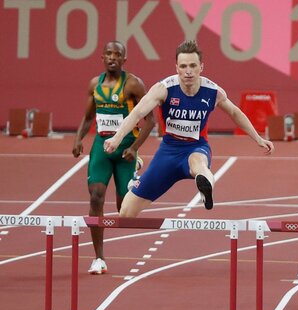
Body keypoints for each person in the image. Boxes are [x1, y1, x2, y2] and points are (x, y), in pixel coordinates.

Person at [104, 40, 274, 217]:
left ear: (201, 67)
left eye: (193, 66)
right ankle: (196, 181)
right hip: (167, 154)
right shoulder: (164, 89)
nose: (188, 71)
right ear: (176, 68)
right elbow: (137, 113)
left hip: (196, 148)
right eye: (183, 66)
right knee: (126, 213)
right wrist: (117, 137)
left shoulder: (212, 91)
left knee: (199, 165)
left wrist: (258, 138)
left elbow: (234, 112)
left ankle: (205, 187)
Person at [73, 40, 155, 275]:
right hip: (102, 146)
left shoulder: (133, 84)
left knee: (123, 208)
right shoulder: (94, 85)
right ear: (102, 57)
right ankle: (99, 258)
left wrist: (135, 147)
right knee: (96, 197)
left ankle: (136, 163)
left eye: (117, 54)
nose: (112, 58)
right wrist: (78, 139)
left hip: (126, 148)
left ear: (124, 60)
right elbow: (89, 117)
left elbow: (150, 121)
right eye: (108, 53)